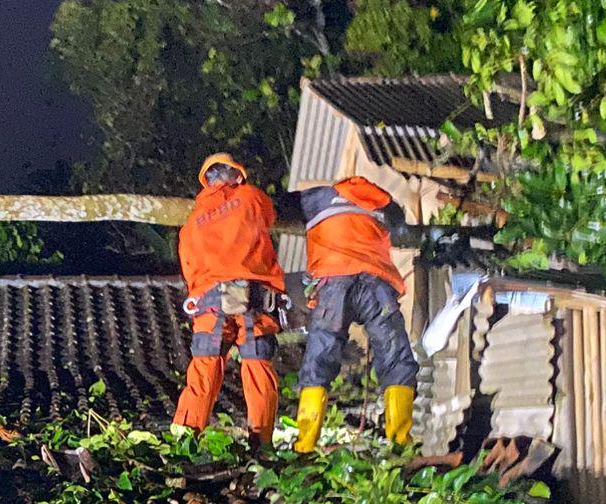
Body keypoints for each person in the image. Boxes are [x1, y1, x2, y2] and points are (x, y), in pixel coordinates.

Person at [285, 176, 421, 452]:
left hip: (333, 284)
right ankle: (400, 445)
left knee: (320, 358)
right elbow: (400, 226)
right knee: (396, 358)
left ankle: (305, 444)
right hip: (376, 283)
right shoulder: (379, 198)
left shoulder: (311, 200)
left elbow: (271, 210)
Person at [173, 152, 286, 446]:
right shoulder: (250, 197)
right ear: (235, 175)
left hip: (209, 303)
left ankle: (183, 442)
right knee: (257, 365)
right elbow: (269, 216)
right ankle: (261, 444)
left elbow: (190, 271)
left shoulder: (191, 224)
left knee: (203, 369)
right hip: (254, 298)